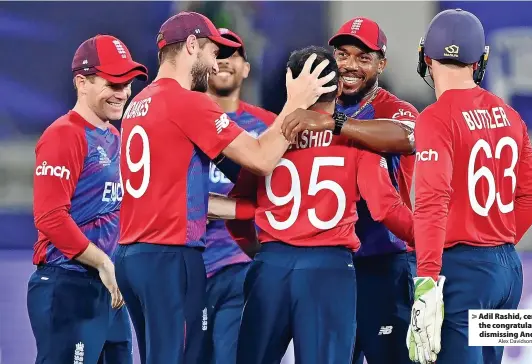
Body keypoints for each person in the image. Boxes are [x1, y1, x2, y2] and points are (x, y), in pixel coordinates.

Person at [113, 11, 336, 364]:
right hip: (170, 257)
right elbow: (261, 159)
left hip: (131, 255)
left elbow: (177, 191)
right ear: (190, 45)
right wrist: (295, 101)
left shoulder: (137, 104)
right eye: (210, 53)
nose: (214, 66)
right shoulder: (187, 101)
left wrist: (246, 209)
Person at [227, 45, 414, 364]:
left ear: (290, 83)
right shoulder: (357, 140)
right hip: (329, 271)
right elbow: (385, 209)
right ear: (338, 86)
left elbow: (238, 208)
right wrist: (433, 241)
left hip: (271, 267)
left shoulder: (265, 139)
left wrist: (260, 254)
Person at [406, 8, 532, 364]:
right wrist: (495, 236)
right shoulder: (508, 114)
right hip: (507, 271)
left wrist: (426, 280)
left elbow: (431, 200)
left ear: (426, 58)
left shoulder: (435, 118)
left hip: (464, 272)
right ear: (479, 61)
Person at [282, 17, 419, 364]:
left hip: (384, 262)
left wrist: (335, 123)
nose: (350, 66)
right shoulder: (315, 107)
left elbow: (409, 137)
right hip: (328, 265)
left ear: (381, 64)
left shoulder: (395, 108)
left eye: (364, 57)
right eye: (343, 55)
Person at [28, 34, 148, 364]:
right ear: (82, 82)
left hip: (108, 290)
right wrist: (104, 262)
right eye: (113, 82)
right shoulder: (64, 134)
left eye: (128, 84)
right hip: (67, 285)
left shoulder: (113, 136)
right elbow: (50, 217)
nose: (123, 93)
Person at [203, 28, 276, 364]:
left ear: (246, 67)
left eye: (231, 54)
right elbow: (172, 200)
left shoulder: (268, 126)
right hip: (187, 265)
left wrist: (212, 206)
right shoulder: (181, 120)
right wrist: (244, 208)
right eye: (215, 54)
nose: (223, 61)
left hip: (242, 264)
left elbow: (280, 200)